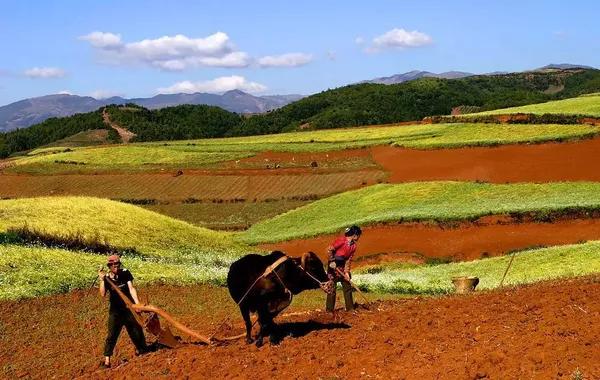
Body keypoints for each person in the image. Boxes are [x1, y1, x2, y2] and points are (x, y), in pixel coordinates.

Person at [98, 254, 148, 368]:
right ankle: (107, 361)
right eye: (114, 264)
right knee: (112, 335)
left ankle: (142, 350)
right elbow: (102, 294)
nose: (116, 266)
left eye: (118, 264)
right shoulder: (106, 278)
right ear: (109, 266)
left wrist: (137, 304)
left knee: (136, 330)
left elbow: (131, 289)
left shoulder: (125, 273)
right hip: (115, 311)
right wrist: (101, 280)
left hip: (129, 308)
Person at [325, 225, 362, 312]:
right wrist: (332, 261)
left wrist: (346, 272)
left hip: (342, 267)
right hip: (333, 266)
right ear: (355, 235)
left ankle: (350, 308)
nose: (359, 237)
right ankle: (329, 310)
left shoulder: (353, 246)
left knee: (347, 285)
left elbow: (348, 260)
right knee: (332, 287)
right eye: (359, 235)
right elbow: (329, 250)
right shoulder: (341, 240)